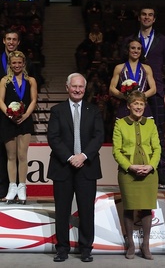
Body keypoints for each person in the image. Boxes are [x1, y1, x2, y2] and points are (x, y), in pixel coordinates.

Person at [47, 73, 104, 263]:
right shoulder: (57, 110)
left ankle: (86, 248)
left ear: (84, 88)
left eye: (81, 87)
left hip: (87, 167)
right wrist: (71, 157)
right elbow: (53, 138)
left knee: (87, 210)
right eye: (74, 86)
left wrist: (83, 156)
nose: (78, 90)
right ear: (67, 87)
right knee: (62, 211)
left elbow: (98, 137)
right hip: (63, 167)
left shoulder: (94, 110)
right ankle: (62, 249)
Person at [126, 5, 165, 189]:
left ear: (154, 19)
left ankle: (161, 173)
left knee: (159, 133)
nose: (147, 18)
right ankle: (134, 169)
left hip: (157, 93)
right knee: (134, 132)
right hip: (134, 94)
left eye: (150, 15)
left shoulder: (163, 40)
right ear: (139, 17)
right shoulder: (130, 40)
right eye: (144, 15)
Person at [112, 90, 161, 260]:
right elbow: (116, 151)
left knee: (147, 207)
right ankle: (131, 244)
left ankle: (146, 245)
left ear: (144, 106)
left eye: (141, 104)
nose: (138, 107)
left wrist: (151, 166)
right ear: (128, 106)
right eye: (135, 103)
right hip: (128, 173)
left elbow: (157, 148)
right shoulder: (120, 124)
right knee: (129, 207)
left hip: (149, 173)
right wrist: (130, 166)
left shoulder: (151, 124)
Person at [0, 50, 37, 204]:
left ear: (24, 64)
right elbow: (0, 101)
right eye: (13, 63)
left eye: (19, 63)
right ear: (10, 64)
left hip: (25, 120)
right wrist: (9, 114)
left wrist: (26, 115)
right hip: (9, 121)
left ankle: (22, 187)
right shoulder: (4, 81)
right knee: (11, 156)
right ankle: (12, 187)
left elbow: (34, 99)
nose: (16, 65)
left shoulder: (31, 81)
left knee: (22, 155)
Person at [109, 37, 156, 118]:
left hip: (142, 107)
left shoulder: (147, 68)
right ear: (127, 50)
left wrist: (139, 98)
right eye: (133, 48)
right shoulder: (119, 68)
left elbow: (153, 89)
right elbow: (111, 88)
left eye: (139, 48)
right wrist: (125, 97)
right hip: (125, 106)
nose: (136, 51)